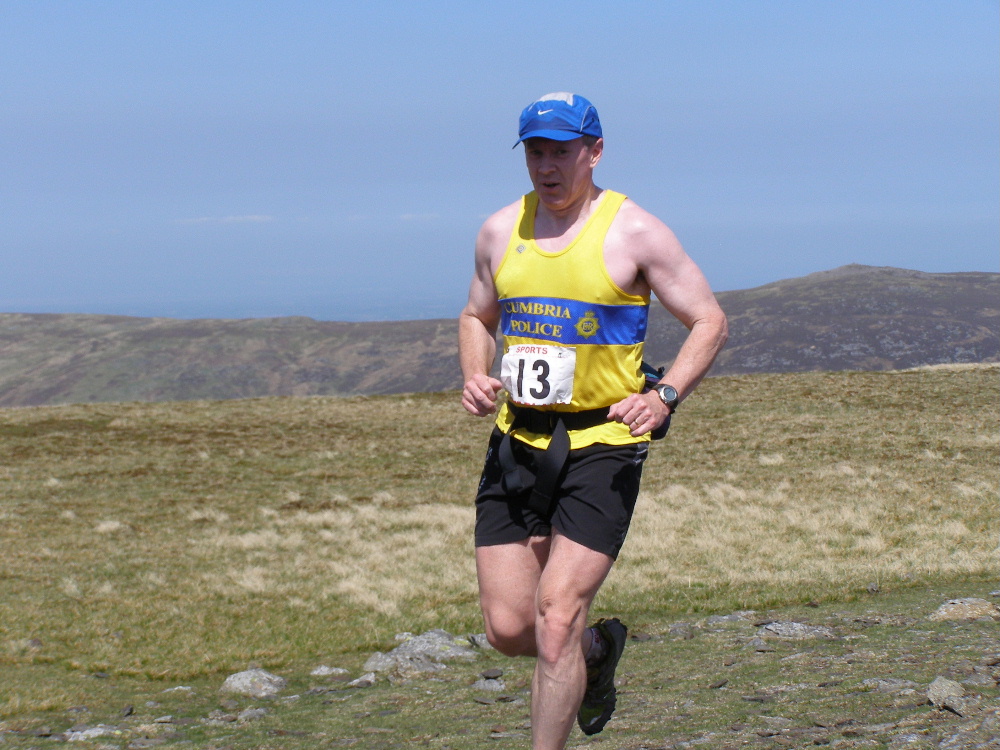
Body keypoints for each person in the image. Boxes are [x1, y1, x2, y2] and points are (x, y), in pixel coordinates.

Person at [459, 92, 728, 749]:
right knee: (509, 629)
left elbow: (709, 320)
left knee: (556, 617)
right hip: (517, 442)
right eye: (535, 152)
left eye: (561, 152)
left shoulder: (635, 232)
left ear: (594, 152)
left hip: (603, 444)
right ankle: (598, 653)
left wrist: (664, 396)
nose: (547, 166)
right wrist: (474, 372)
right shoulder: (500, 231)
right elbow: (476, 315)